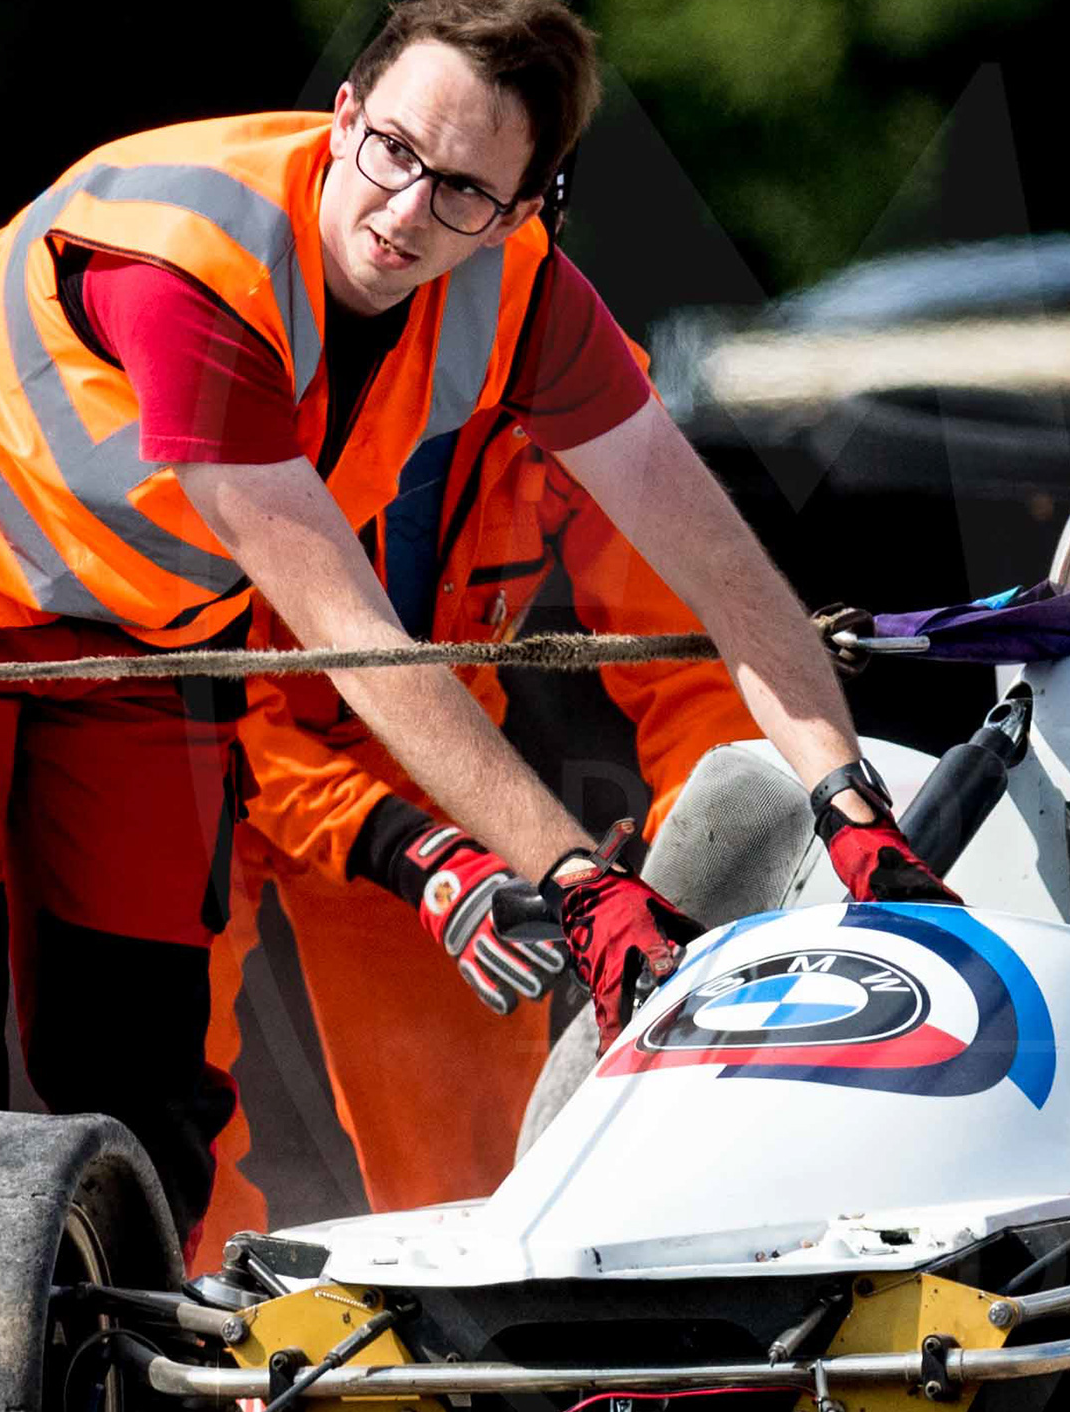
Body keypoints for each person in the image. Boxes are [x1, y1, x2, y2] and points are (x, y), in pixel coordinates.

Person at [0, 0, 947, 1229]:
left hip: (143, 633)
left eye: (461, 190)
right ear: (344, 113)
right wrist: (570, 872)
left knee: (139, 1088)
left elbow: (717, 572)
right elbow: (354, 640)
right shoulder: (201, 274)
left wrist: (849, 800)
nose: (404, 210)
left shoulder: (531, 306)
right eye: (392, 149)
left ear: (521, 212)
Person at [189, 393, 756, 1264]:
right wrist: (410, 852)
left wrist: (727, 867)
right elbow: (213, 701)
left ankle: (491, 1381)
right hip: (182, 741)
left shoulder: (560, 360)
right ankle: (190, 1374)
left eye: (488, 246)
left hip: (430, 755)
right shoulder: (240, 336)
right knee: (162, 1110)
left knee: (486, 1188)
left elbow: (685, 653)